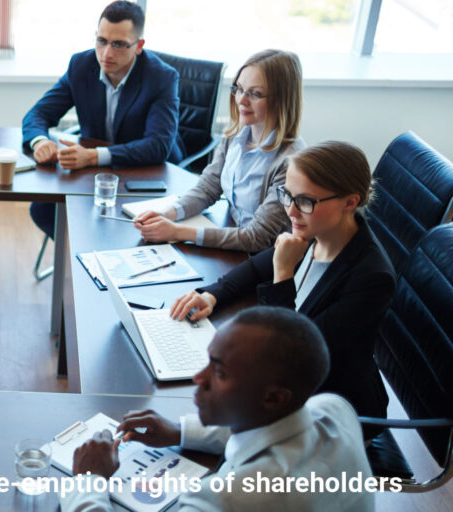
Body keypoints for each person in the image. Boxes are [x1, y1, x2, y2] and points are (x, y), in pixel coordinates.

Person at [169, 141, 395, 427]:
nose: (291, 211)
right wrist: (212, 295)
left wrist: (283, 273)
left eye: (305, 201)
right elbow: (253, 269)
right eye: (287, 195)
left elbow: (290, 356)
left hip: (331, 411)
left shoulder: (372, 278)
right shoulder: (318, 228)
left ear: (350, 202)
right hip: (289, 387)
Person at [63, 307, 375, 511]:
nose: (199, 377)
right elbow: (268, 428)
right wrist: (180, 431)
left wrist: (89, 479)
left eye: (220, 372)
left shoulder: (224, 500)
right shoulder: (334, 408)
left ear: (275, 398)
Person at [22, 0, 182, 240]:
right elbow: (37, 114)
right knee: (43, 210)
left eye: (118, 44)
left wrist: (93, 155)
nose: (106, 53)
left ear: (139, 46)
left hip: (147, 175)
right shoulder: (81, 66)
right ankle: (81, 260)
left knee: (127, 231)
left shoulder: (162, 77)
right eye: (102, 41)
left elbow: (157, 146)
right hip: (93, 175)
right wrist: (40, 142)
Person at [133, 49, 306, 252]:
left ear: (281, 99)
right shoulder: (235, 135)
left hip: (265, 257)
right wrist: (169, 213)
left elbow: (257, 237)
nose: (241, 100)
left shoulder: (289, 162)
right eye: (239, 89)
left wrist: (177, 231)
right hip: (230, 236)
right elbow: (208, 187)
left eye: (255, 94)